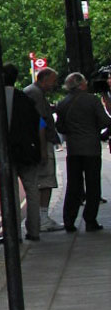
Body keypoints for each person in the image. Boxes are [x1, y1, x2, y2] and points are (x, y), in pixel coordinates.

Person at [0, 63, 45, 240]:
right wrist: (41, 151)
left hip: (7, 153)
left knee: (10, 193)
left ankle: (13, 233)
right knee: (32, 191)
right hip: (28, 151)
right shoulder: (26, 99)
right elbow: (40, 126)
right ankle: (34, 231)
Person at [55, 72, 106, 232]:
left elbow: (60, 127)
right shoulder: (92, 100)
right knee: (93, 185)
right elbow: (104, 121)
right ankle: (90, 220)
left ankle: (69, 220)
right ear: (81, 84)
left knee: (73, 185)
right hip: (91, 148)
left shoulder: (62, 103)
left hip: (74, 149)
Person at [24, 67, 64, 231]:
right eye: (53, 81)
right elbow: (40, 122)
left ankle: (39, 218)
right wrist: (42, 148)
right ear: (44, 79)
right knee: (45, 180)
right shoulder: (36, 93)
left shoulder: (32, 92)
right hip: (41, 142)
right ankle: (42, 218)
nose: (54, 85)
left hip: (38, 142)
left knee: (40, 181)